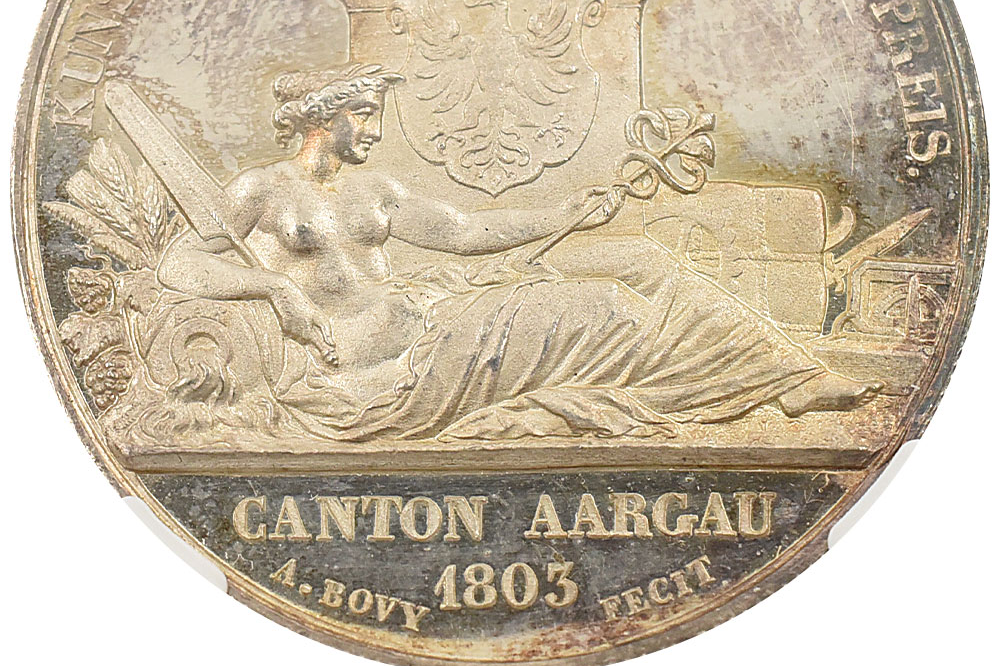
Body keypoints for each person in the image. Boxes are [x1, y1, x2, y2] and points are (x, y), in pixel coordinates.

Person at [157, 63, 880, 441]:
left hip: (435, 313)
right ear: (324, 117)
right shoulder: (261, 189)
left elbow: (465, 232)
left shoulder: (375, 189)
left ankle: (784, 377)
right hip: (376, 365)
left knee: (642, 266)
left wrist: (561, 215)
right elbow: (179, 264)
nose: (375, 131)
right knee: (607, 306)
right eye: (365, 116)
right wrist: (276, 290)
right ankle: (747, 382)